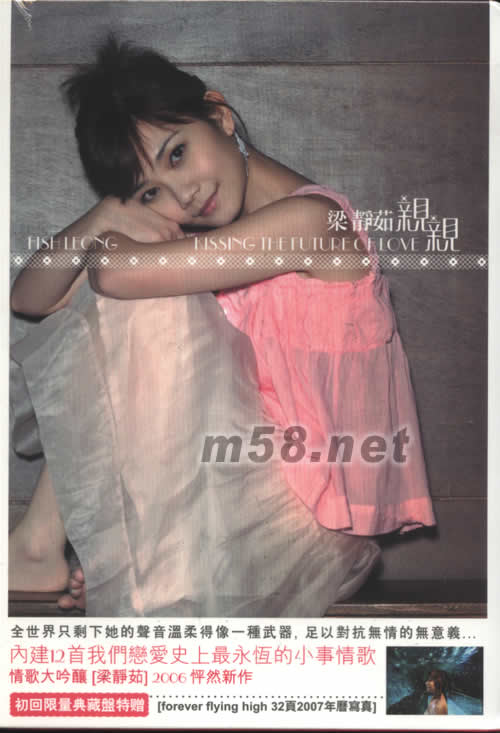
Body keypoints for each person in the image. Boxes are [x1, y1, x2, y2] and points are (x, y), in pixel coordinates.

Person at [9, 34, 434, 616]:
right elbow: (30, 296)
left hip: (305, 533)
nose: (184, 194)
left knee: (142, 297)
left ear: (219, 114)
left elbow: (112, 276)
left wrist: (119, 231)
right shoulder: (216, 242)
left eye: (177, 154)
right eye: (153, 191)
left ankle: (93, 553)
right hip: (228, 503)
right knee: (132, 292)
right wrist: (103, 214)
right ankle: (83, 551)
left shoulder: (315, 222)